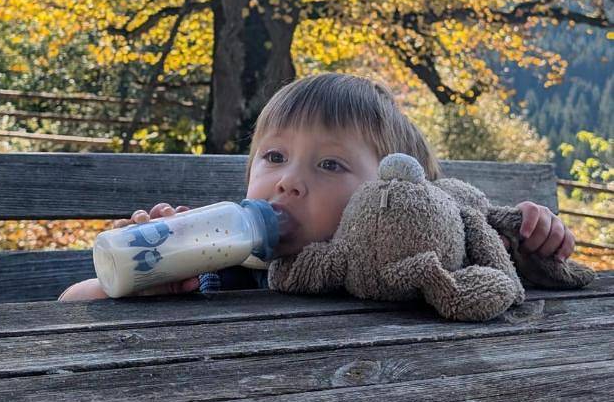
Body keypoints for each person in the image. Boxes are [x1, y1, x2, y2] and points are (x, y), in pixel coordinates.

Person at [59, 73, 575, 301]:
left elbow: (492, 278)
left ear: (396, 197)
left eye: (329, 165)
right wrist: (131, 279)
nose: (287, 181)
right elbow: (70, 307)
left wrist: (531, 248)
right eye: (275, 157)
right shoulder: (226, 270)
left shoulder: (416, 266)